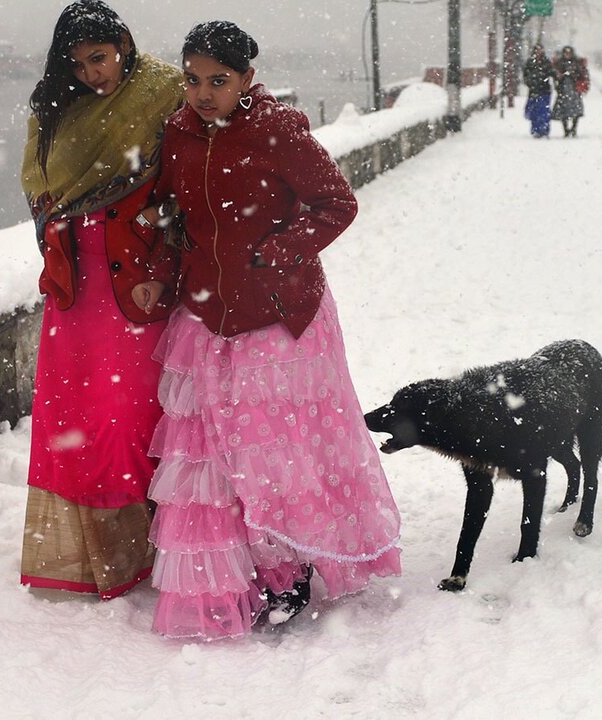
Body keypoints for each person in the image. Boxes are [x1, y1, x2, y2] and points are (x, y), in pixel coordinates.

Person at [134, 20, 402, 640]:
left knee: (275, 448)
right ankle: (244, 570)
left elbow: (339, 203)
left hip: (279, 316)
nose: (203, 94)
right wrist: (156, 272)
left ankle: (292, 567)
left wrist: (280, 252)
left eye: (219, 82)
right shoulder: (176, 134)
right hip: (205, 314)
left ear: (248, 80)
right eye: (194, 80)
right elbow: (171, 215)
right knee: (215, 452)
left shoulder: (276, 129)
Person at [17, 0, 183, 600]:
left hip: (135, 275)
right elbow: (41, 186)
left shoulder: (163, 91)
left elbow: (182, 186)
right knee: (78, 416)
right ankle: (96, 554)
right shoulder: (53, 107)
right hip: (74, 282)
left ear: (125, 45)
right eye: (80, 62)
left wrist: (161, 265)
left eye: (102, 57)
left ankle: (168, 541)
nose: (94, 74)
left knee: (138, 413)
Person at [551, 45, 589, 138]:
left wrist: (574, 76)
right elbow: (555, 75)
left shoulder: (577, 63)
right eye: (566, 53)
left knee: (575, 111)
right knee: (563, 111)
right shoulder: (560, 63)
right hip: (563, 90)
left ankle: (573, 128)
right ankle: (566, 130)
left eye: (569, 53)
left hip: (574, 90)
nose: (567, 55)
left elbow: (583, 74)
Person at [522, 45, 554, 138]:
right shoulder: (530, 62)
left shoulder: (546, 62)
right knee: (534, 111)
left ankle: (544, 130)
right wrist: (530, 83)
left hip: (544, 90)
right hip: (534, 90)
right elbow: (525, 75)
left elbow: (551, 72)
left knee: (544, 111)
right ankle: (536, 129)